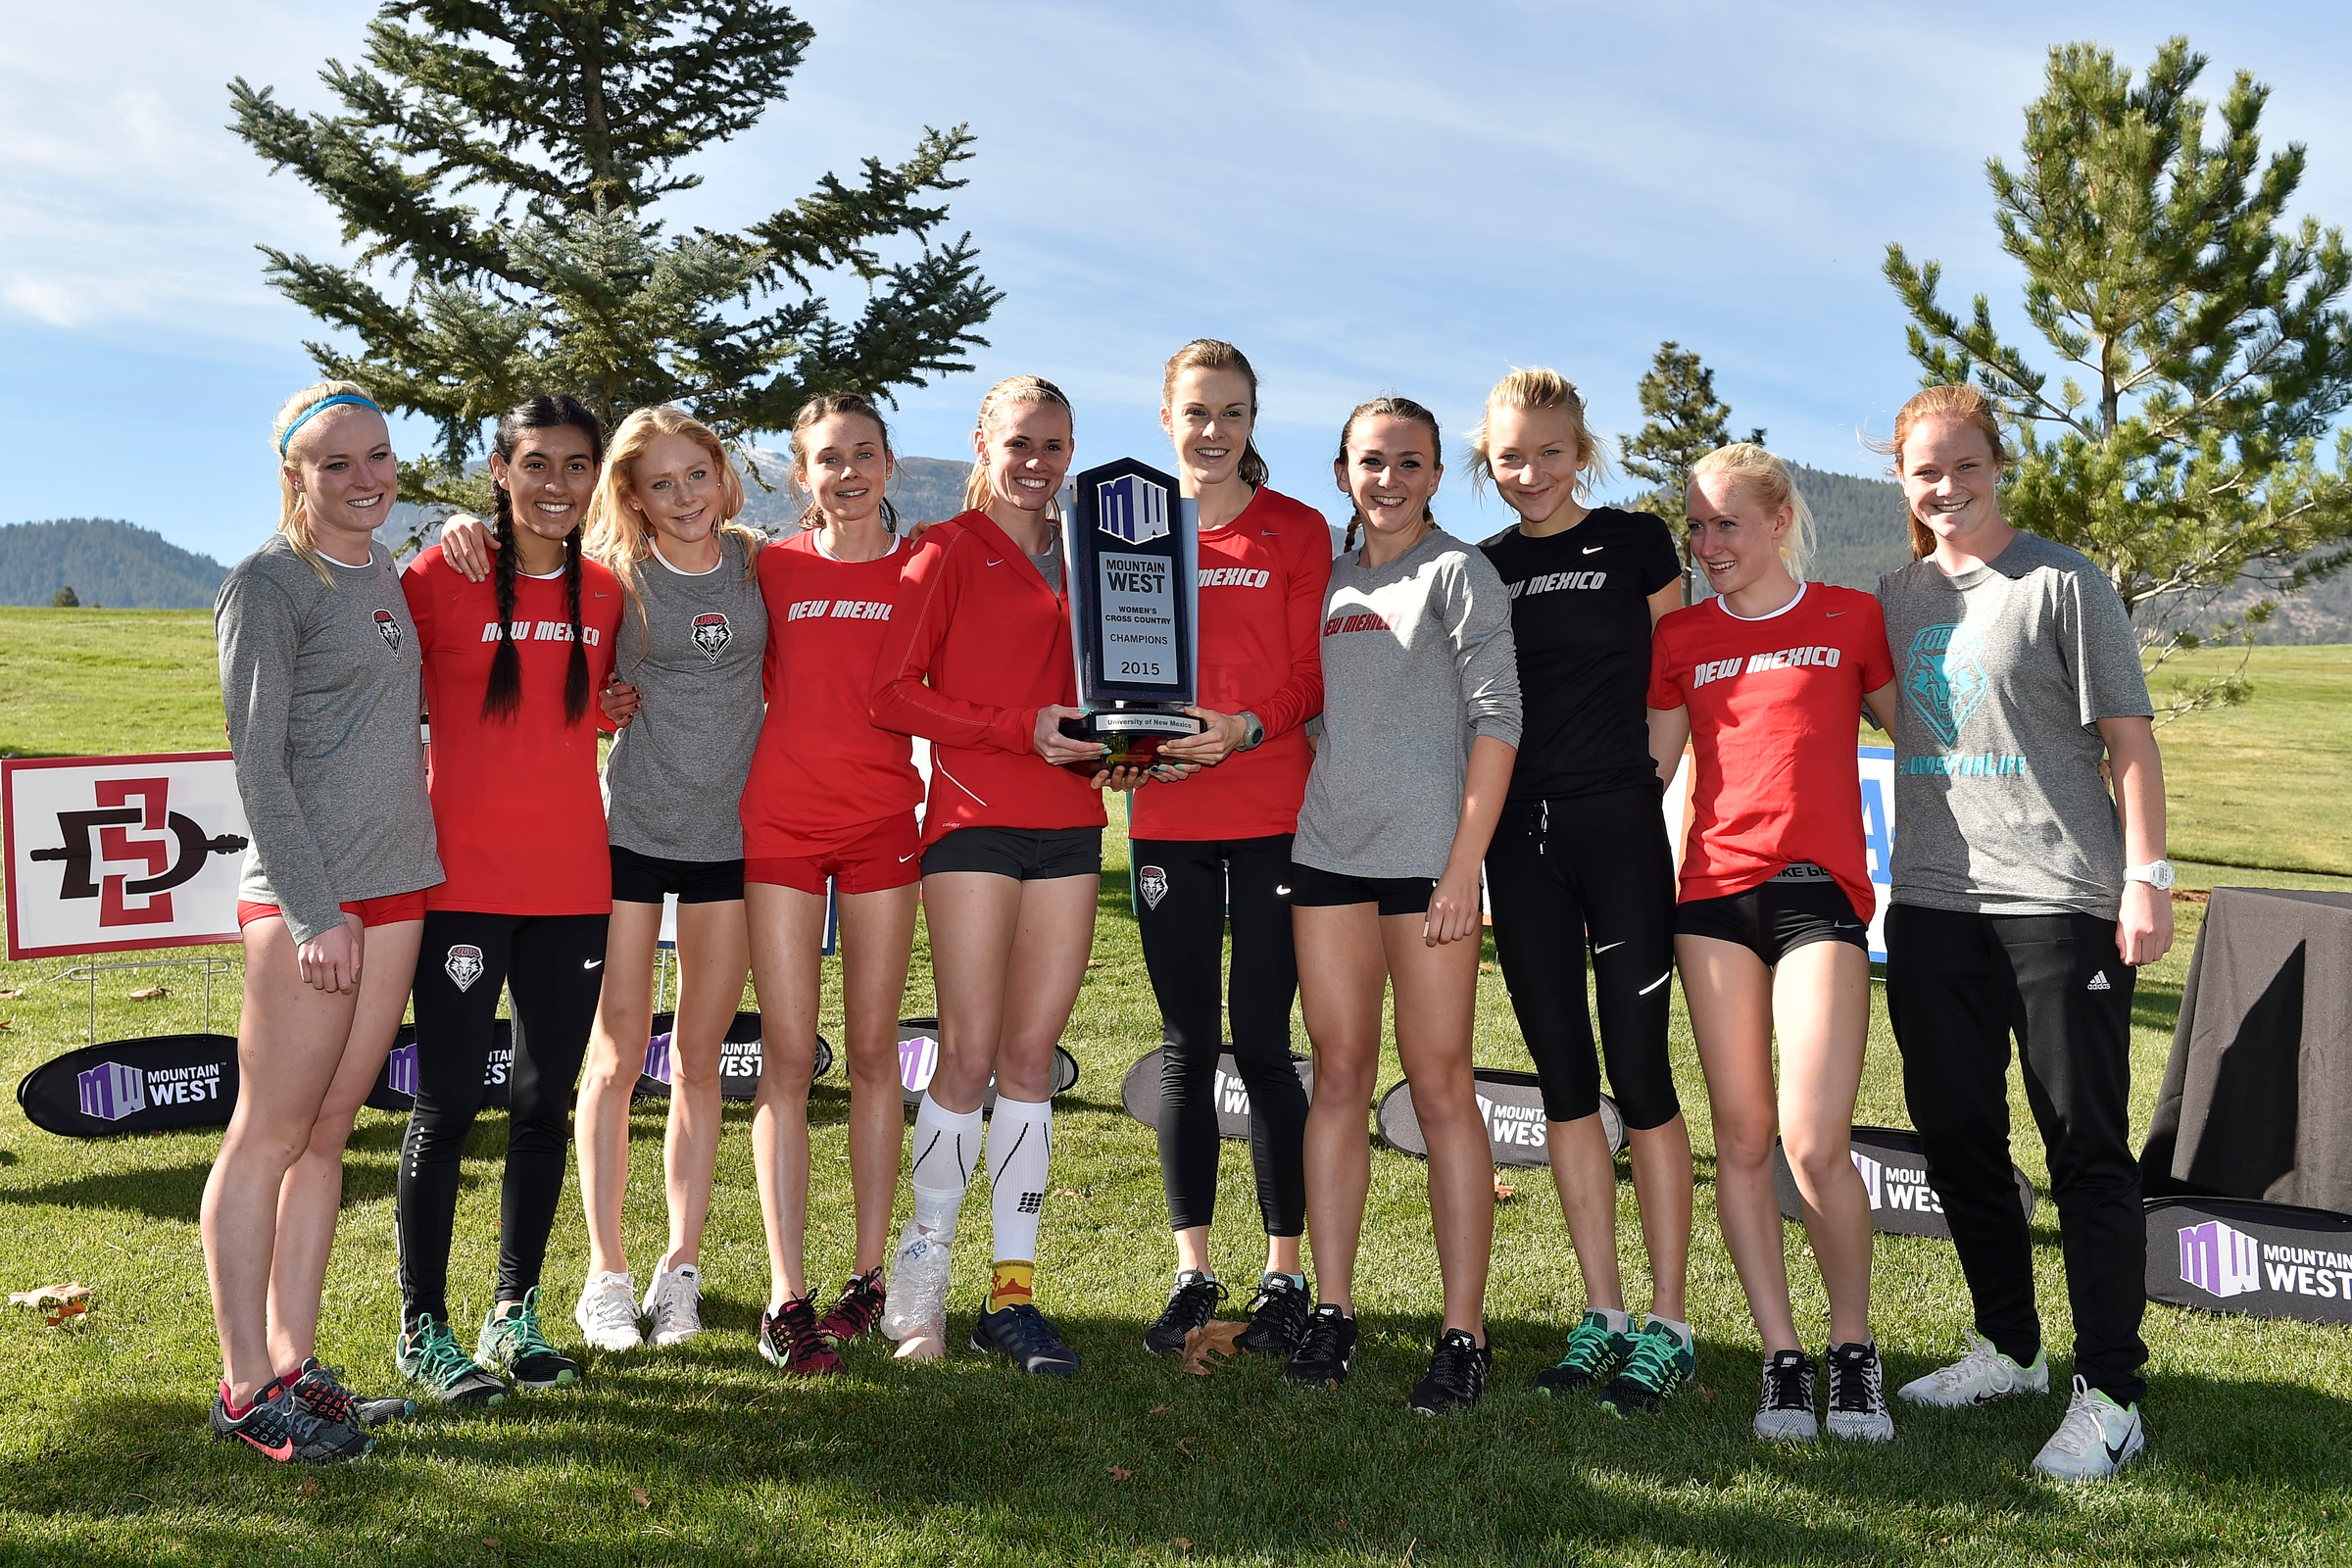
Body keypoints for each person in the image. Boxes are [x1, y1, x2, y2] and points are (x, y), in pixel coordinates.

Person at [1875, 384, 2170, 1483]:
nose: (1944, 487)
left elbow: (2130, 746)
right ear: (1900, 481)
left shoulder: (2063, 583)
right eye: (1923, 471)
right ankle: (2010, 1343)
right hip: (1937, 906)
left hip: (2061, 904)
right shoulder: (1896, 595)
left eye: (1962, 465)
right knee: (1957, 1135)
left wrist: (2146, 880)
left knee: (2084, 1147)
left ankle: (2114, 1393)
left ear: (1998, 464)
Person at [203, 380, 444, 1462]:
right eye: (337, 464)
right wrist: (314, 910)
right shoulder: (266, 583)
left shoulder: (384, 568)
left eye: (378, 458)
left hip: (398, 889)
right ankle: (246, 1385)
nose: (365, 480)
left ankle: (298, 1363)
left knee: (328, 1133)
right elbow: (255, 764)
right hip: (313, 904)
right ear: (295, 475)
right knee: (267, 1134)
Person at [1643, 443, 1898, 1443]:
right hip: (1711, 899)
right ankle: (1782, 1358)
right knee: (1743, 1139)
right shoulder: (1682, 639)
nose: (1707, 545)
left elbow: (1926, 735)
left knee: (1813, 1140)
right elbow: (1650, 773)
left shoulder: (1851, 618)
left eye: (1726, 525)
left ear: (1782, 518)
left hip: (1818, 898)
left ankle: (1852, 1349)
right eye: (1695, 527)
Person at [867, 374, 1113, 1377]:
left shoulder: (1100, 557)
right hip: (972, 820)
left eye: (1053, 445)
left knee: (1030, 1055)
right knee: (965, 1054)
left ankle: (1011, 1296)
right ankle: (919, 1280)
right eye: (1019, 442)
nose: (1035, 462)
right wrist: (1015, 728)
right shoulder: (944, 549)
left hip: (1071, 822)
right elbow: (892, 691)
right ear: (982, 441)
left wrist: (1121, 738)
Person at [1284, 395, 1520, 1415]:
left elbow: (1498, 718)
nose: (1388, 479)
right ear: (1343, 471)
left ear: (1435, 476)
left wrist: (1466, 863)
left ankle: (1461, 1332)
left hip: (1430, 866)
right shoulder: (1323, 578)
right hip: (1328, 855)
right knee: (1339, 1075)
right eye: (1371, 462)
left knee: (1438, 1087)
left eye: (1410, 463)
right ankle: (1333, 1310)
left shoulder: (1461, 573)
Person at [1468, 368, 1697, 1410]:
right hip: (1521, 843)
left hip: (1619, 828)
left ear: (1582, 452)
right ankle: (1602, 1311)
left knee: (1640, 1071)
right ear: (1488, 458)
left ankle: (1671, 1317)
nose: (1530, 473)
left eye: (1549, 453)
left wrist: (1649, 796)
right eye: (1510, 456)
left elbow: (1678, 677)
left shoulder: (1638, 542)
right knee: (1564, 1075)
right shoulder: (1482, 567)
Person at [393, 394, 622, 1404]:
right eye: (536, 464)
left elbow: (598, 706)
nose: (557, 486)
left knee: (541, 1107)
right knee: (445, 1108)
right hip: (461, 889)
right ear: (498, 468)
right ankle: (422, 1327)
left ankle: (513, 1312)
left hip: (574, 887)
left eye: (577, 467)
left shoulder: (608, 593)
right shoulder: (442, 575)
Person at [1124, 340, 1330, 1360]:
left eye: (1233, 413)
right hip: (1167, 819)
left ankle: (1284, 1274)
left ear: (1255, 422)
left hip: (1272, 812)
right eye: (1197, 412)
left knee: (1261, 1036)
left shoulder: (1296, 529)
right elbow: (1104, 660)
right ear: (1167, 416)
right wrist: (1131, 747)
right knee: (1185, 1043)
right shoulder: (1132, 528)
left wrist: (1244, 729)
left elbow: (1306, 679)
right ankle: (1192, 1271)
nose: (1213, 431)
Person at [567, 406, 768, 1357]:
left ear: (721, 476)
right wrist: (605, 701)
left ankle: (678, 1266)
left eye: (698, 475)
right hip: (632, 838)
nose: (684, 496)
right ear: (634, 497)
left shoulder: (760, 562)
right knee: (612, 1058)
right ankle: (605, 1272)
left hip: (730, 845)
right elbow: (584, 687)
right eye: (663, 483)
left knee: (697, 1061)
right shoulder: (618, 582)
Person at [735, 393, 926, 1375]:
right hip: (778, 826)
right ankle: (784, 1294)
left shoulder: (924, 568)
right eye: (826, 459)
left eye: (863, 454)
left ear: (889, 464)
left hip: (885, 827)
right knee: (785, 1059)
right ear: (800, 475)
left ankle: (868, 1277)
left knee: (874, 1054)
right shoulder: (769, 565)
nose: (846, 471)